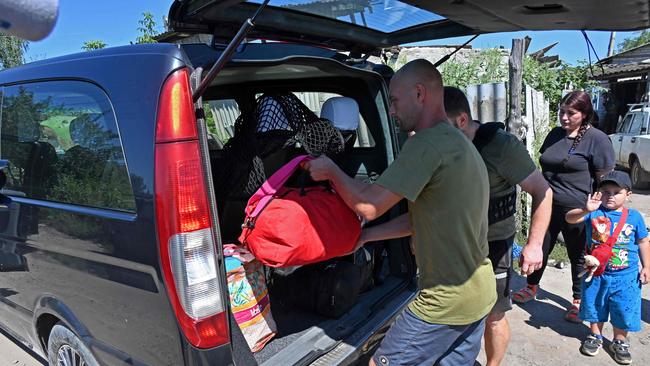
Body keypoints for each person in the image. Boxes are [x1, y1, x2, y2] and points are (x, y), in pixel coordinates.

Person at [303, 59, 497, 365]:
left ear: (419, 94)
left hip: (444, 302)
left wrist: (330, 171)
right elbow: (425, 217)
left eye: (394, 101)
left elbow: (367, 205)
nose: (391, 111)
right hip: (479, 292)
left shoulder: (427, 144)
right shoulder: (459, 142)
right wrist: (367, 236)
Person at [443, 86, 553, 366]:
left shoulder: (501, 146)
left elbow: (543, 192)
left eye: (441, 127)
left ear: (462, 120)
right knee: (452, 312)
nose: (434, 136)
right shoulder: (437, 144)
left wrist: (534, 245)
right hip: (455, 243)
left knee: (494, 315)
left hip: (495, 243)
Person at [512, 90, 616, 324]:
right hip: (546, 205)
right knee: (539, 246)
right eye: (561, 112)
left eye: (571, 113)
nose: (564, 117)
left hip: (578, 210)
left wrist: (600, 213)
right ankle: (531, 287)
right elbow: (545, 162)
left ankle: (578, 300)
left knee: (579, 255)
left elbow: (605, 180)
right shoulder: (555, 134)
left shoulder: (597, 139)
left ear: (585, 114)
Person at [565, 171, 649, 365]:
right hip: (597, 274)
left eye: (616, 191)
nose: (610, 195)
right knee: (595, 305)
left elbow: (644, 241)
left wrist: (647, 266)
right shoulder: (594, 212)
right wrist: (586, 210)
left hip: (626, 277)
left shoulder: (634, 217)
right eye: (605, 191)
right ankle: (595, 335)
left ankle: (620, 340)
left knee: (623, 308)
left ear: (628, 194)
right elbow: (570, 218)